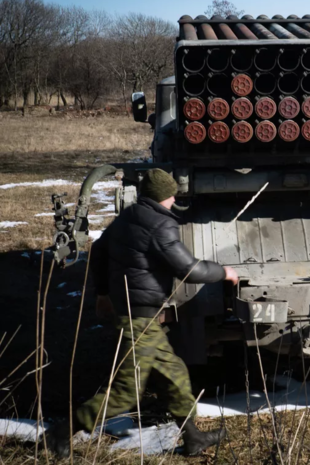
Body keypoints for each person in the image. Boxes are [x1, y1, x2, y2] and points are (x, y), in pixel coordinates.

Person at [46, 169, 239, 457]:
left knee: (173, 373)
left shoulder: (130, 216)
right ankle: (61, 432)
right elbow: (189, 269)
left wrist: (102, 292)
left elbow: (98, 250)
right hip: (139, 317)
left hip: (140, 314)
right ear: (167, 195)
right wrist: (224, 272)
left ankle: (193, 436)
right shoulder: (160, 224)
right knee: (126, 393)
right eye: (173, 193)